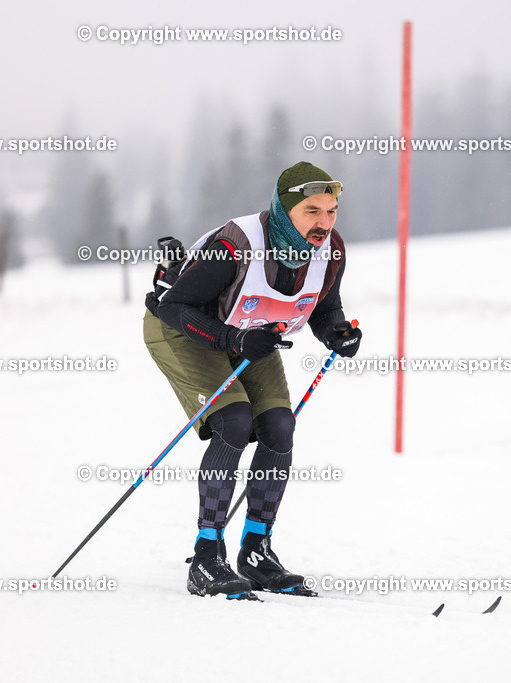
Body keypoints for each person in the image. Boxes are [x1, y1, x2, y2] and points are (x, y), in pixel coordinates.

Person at [143, 161, 362, 600]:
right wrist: (232, 338)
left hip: (252, 334)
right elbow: (169, 306)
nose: (324, 222)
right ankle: (207, 558)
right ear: (285, 210)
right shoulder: (234, 246)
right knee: (235, 422)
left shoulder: (330, 250)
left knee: (279, 426)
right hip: (184, 331)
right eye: (312, 211)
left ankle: (256, 551)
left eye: (331, 211)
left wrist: (336, 333)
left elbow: (323, 307)